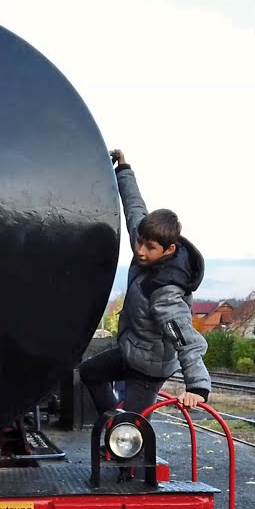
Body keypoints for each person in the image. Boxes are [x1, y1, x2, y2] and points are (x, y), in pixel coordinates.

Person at [78, 149, 211, 417]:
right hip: (131, 352)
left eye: (149, 247)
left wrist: (197, 387)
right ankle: (113, 422)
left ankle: (124, 431)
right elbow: (134, 207)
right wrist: (123, 169)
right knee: (89, 372)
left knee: (135, 428)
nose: (140, 251)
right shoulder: (146, 243)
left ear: (168, 249)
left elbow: (184, 337)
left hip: (149, 369)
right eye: (139, 241)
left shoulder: (165, 291)